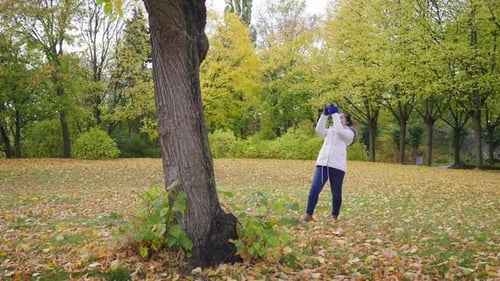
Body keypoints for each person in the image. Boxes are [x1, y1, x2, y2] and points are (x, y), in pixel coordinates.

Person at [304, 104, 356, 223]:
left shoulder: (349, 134)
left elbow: (339, 130)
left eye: (342, 117)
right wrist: (324, 115)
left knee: (336, 192)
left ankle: (334, 216)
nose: (338, 118)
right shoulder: (330, 131)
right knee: (315, 188)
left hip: (337, 166)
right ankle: (309, 214)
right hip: (323, 164)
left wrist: (335, 114)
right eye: (339, 116)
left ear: (347, 122)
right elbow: (318, 129)